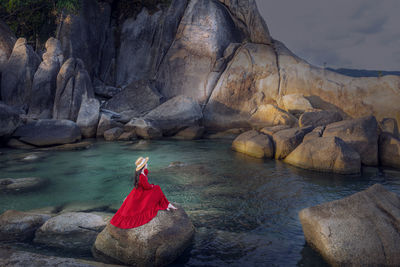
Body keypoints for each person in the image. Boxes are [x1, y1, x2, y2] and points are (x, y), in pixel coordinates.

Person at [110, 156, 177, 229]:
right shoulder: (141, 176)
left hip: (139, 191)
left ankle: (166, 204)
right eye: (146, 163)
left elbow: (145, 174)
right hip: (141, 192)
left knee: (156, 188)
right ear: (143, 165)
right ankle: (166, 204)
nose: (147, 164)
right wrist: (152, 186)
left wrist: (145, 170)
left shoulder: (141, 173)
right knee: (157, 188)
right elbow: (147, 187)